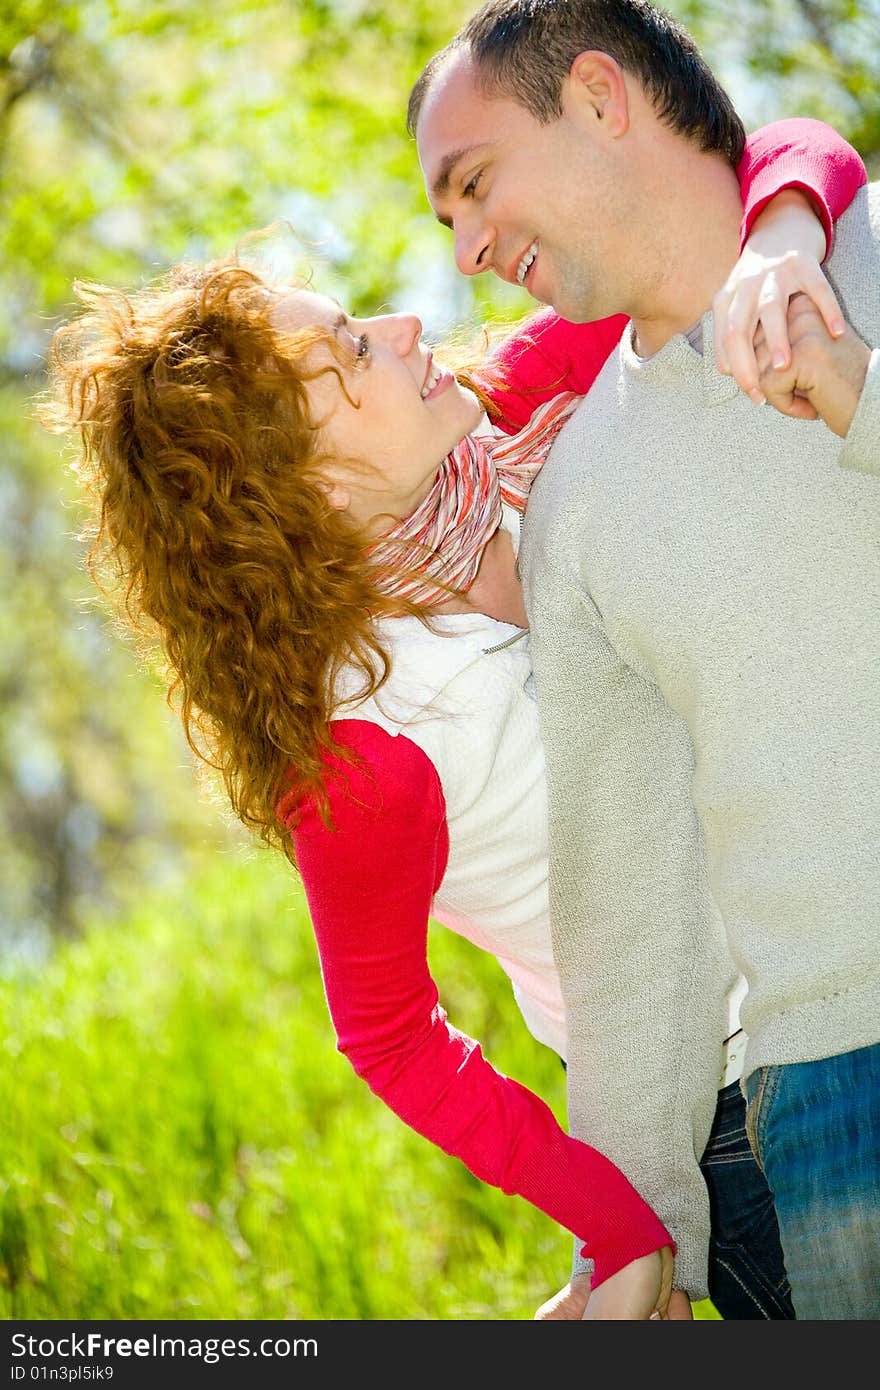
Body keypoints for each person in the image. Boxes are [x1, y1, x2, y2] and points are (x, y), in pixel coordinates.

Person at [44, 129, 864, 1319]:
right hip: (728, 1115)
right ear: (300, 486)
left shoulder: (522, 404)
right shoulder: (359, 756)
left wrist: (781, 239)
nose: (407, 328)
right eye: (352, 350)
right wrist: (614, 1224)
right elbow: (388, 1035)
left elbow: (768, 163)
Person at [411, 0, 880, 1320]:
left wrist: (859, 395)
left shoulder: (864, 244)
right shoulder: (579, 504)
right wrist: (636, 1231)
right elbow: (631, 918)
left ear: (602, 100)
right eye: (446, 220)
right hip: (832, 1094)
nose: (468, 250)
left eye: (475, 185)